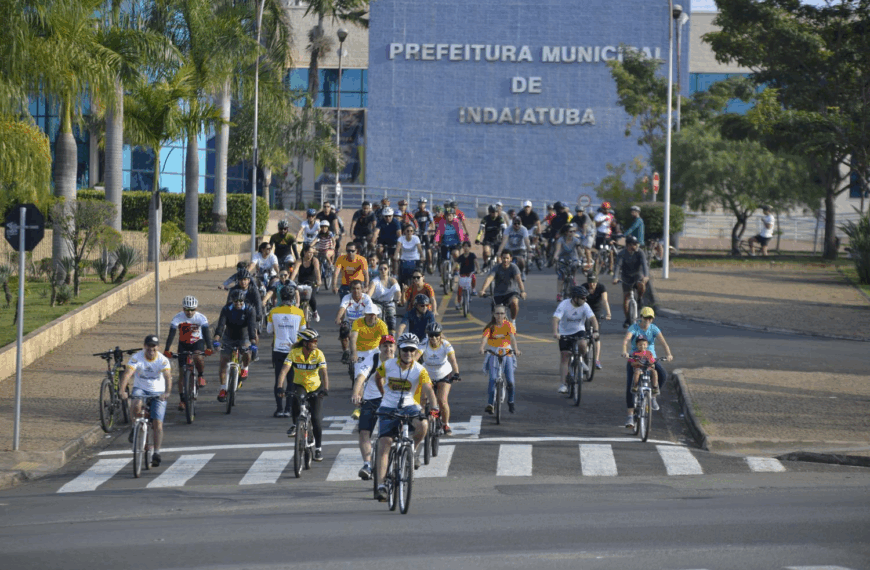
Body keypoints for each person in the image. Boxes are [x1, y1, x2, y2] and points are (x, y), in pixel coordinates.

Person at [374, 332, 439, 500]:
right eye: (405, 350)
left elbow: (429, 390)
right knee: (385, 443)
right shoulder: (388, 365)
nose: (408, 353)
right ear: (399, 351)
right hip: (388, 406)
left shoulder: (420, 369)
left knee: (423, 425)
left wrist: (434, 408)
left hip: (410, 406)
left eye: (412, 350)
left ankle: (413, 450)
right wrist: (384, 395)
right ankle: (381, 486)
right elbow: (378, 377)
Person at [119, 335, 172, 468]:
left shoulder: (163, 360)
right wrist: (122, 390)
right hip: (141, 389)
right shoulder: (137, 358)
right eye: (148, 346)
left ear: (157, 347)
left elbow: (167, 377)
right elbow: (127, 374)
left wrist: (167, 392)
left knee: (157, 423)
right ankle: (134, 427)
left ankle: (157, 453)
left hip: (158, 392)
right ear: (144, 346)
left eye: (154, 346)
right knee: (136, 403)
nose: (151, 349)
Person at [278, 329, 329, 462]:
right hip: (299, 385)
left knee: (317, 418)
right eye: (313, 341)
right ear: (305, 343)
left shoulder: (319, 354)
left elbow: (324, 373)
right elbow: (284, 371)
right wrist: (279, 387)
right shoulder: (294, 353)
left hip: (315, 387)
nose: (316, 343)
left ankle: (318, 448)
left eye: (316, 341)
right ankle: (296, 425)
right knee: (296, 399)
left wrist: (325, 389)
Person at [351, 334, 396, 481]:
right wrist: (356, 393)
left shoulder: (400, 361)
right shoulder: (373, 358)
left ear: (394, 348)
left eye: (391, 346)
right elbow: (361, 377)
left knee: (394, 435)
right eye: (385, 346)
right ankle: (367, 465)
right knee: (364, 431)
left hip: (391, 400)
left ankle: (400, 459)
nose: (388, 349)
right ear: (380, 348)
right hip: (371, 399)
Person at [621, 307, 674, 427]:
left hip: (651, 359)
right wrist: (625, 351)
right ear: (641, 317)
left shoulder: (654, 328)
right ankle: (630, 416)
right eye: (646, 318)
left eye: (650, 318)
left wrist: (668, 354)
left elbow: (663, 342)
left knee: (663, 375)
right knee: (630, 384)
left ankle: (653, 397)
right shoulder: (634, 327)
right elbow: (626, 340)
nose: (648, 320)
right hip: (636, 358)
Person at [163, 296, 212, 412]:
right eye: (187, 309)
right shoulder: (178, 317)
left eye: (192, 309)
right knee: (181, 373)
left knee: (197, 356)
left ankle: (200, 375)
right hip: (183, 344)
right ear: (183, 308)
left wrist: (209, 347)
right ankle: (182, 400)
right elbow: (172, 334)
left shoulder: (201, 318)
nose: (189, 312)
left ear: (196, 308)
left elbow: (206, 334)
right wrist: (167, 349)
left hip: (197, 342)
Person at [267, 286, 306, 417]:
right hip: (293, 350)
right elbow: (303, 331)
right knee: (291, 380)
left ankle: (279, 409)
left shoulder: (273, 312)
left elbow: (268, 330)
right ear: (293, 298)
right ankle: (288, 409)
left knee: (279, 378)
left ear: (280, 298)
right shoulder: (299, 312)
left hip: (278, 349)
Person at [213, 289, 258, 402]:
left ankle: (245, 367)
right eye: (235, 302)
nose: (238, 304)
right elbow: (221, 325)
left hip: (244, 336)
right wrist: (216, 340)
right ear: (232, 301)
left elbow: (252, 327)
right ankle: (223, 388)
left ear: (243, 301)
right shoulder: (226, 309)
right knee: (223, 360)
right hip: (229, 336)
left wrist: (253, 342)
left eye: (240, 302)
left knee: (247, 354)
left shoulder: (249, 309)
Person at [552, 285, 598, 394]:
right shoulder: (564, 304)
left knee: (582, 343)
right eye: (583, 298)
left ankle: (581, 362)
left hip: (579, 330)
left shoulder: (585, 305)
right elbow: (555, 319)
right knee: (565, 357)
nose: (585, 300)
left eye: (585, 297)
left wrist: (595, 331)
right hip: (564, 333)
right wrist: (555, 332)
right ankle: (563, 384)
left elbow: (593, 319)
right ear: (575, 298)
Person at [479, 305, 520, 414]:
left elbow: (512, 338)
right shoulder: (490, 327)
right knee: (492, 379)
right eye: (497, 313)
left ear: (505, 314)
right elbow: (484, 338)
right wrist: (482, 348)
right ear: (493, 314)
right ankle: (490, 404)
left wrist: (516, 349)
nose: (499, 316)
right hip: (494, 352)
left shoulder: (508, 325)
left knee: (510, 381)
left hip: (507, 352)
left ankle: (511, 401)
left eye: (502, 313)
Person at [349, 302, 389, 416]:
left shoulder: (382, 325)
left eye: (374, 315)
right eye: (370, 314)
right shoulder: (358, 322)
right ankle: (358, 405)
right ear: (365, 315)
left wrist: (388, 357)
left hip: (375, 350)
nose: (372, 317)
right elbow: (353, 339)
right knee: (360, 377)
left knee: (383, 373)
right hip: (360, 352)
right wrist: (354, 353)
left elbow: (386, 342)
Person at [420, 322, 460, 435]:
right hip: (427, 374)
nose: (433, 338)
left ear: (440, 335)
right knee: (422, 400)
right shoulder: (424, 344)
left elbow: (453, 360)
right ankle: (421, 422)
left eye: (436, 335)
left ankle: (445, 424)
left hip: (443, 373)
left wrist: (456, 373)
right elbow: (415, 356)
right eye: (431, 335)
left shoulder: (446, 344)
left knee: (442, 401)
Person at [612, 235, 649, 328]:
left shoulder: (640, 252)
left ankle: (640, 298)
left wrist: (646, 276)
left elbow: (644, 264)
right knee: (626, 298)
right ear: (628, 245)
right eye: (634, 244)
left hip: (637, 275)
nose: (636, 246)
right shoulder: (622, 254)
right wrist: (615, 277)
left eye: (636, 244)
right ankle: (628, 318)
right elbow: (617, 266)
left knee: (641, 284)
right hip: (626, 276)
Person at [479, 250, 527, 321]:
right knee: (495, 317)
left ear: (511, 258)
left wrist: (522, 291)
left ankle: (513, 321)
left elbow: (518, 280)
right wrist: (482, 290)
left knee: (514, 303)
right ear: (501, 258)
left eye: (507, 258)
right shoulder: (496, 267)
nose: (505, 260)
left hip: (511, 293)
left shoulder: (514, 267)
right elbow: (489, 279)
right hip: (498, 294)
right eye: (504, 258)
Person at [335, 279, 373, 363]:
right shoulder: (346, 298)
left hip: (363, 323)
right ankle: (346, 351)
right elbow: (342, 309)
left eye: (358, 288)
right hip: (349, 323)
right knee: (343, 330)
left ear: (362, 289)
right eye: (354, 288)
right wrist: (338, 318)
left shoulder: (366, 298)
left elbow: (371, 310)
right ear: (351, 290)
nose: (356, 291)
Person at [583, 273, 611, 369]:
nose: (592, 285)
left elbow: (604, 300)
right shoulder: (583, 287)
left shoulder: (601, 287)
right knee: (584, 334)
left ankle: (597, 359)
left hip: (596, 312)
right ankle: (583, 357)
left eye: (594, 283)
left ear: (597, 282)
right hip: (585, 311)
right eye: (590, 283)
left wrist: (608, 313)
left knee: (597, 336)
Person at [367, 260, 401, 335]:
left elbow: (397, 291)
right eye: (381, 269)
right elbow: (370, 293)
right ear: (378, 270)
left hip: (389, 303)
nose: (383, 271)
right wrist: (367, 301)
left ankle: (391, 339)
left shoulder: (392, 280)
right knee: (377, 321)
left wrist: (398, 298)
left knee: (392, 322)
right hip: (377, 303)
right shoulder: (375, 281)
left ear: (388, 269)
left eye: (385, 269)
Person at [434, 208, 468, 284]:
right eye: (447, 215)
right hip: (445, 243)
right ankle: (443, 279)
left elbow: (460, 232)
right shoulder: (442, 222)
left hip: (455, 243)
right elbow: (438, 232)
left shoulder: (457, 222)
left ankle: (456, 271)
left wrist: (461, 241)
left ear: (453, 215)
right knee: (443, 262)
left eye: (450, 215)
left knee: (455, 253)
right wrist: (436, 241)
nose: (449, 217)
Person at [290, 244, 321, 323]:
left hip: (312, 283)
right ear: (304, 252)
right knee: (298, 300)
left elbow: (317, 270)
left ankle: (315, 312)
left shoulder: (314, 260)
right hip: (301, 282)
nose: (311, 254)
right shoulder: (300, 260)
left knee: (311, 298)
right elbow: (295, 271)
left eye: (312, 253)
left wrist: (319, 280)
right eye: (309, 252)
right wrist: (290, 281)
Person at [552, 224, 584, 301]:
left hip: (573, 258)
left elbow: (579, 250)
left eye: (574, 231)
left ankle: (573, 278)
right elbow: (558, 250)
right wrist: (555, 256)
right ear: (566, 232)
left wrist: (584, 257)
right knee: (561, 276)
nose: (572, 233)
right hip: (563, 258)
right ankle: (559, 294)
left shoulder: (576, 240)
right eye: (570, 231)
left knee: (574, 268)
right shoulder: (561, 240)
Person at [395, 223, 423, 288]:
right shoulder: (401, 238)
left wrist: (422, 256)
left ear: (413, 232)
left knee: (419, 276)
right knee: (401, 278)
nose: (409, 232)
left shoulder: (416, 238)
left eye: (411, 231)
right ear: (404, 231)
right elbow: (398, 248)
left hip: (415, 260)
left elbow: (419, 249)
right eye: (407, 231)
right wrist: (396, 255)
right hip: (404, 260)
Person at [593, 203, 616, 272]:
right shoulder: (598, 216)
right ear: (602, 209)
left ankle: (610, 268)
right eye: (605, 209)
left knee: (610, 251)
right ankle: (596, 267)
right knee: (597, 251)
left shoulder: (611, 216)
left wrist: (611, 222)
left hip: (607, 234)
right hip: (600, 234)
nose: (606, 210)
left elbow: (614, 224)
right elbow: (596, 225)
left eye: (608, 209)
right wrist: (603, 220)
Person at [455, 240, 479, 306]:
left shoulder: (472, 255)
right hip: (462, 274)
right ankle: (459, 302)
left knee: (473, 277)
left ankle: (473, 289)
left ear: (469, 247)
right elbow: (456, 263)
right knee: (460, 288)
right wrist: (452, 271)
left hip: (470, 273)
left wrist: (478, 269)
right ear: (462, 248)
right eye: (464, 246)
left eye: (467, 246)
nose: (466, 248)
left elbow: (476, 262)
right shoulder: (461, 257)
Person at [414, 197, 434, 269]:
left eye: (423, 204)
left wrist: (431, 229)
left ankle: (430, 263)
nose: (421, 205)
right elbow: (412, 221)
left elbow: (432, 222)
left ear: (425, 204)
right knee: (416, 247)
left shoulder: (428, 212)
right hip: (418, 232)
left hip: (425, 232)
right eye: (420, 203)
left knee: (428, 248)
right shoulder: (415, 212)